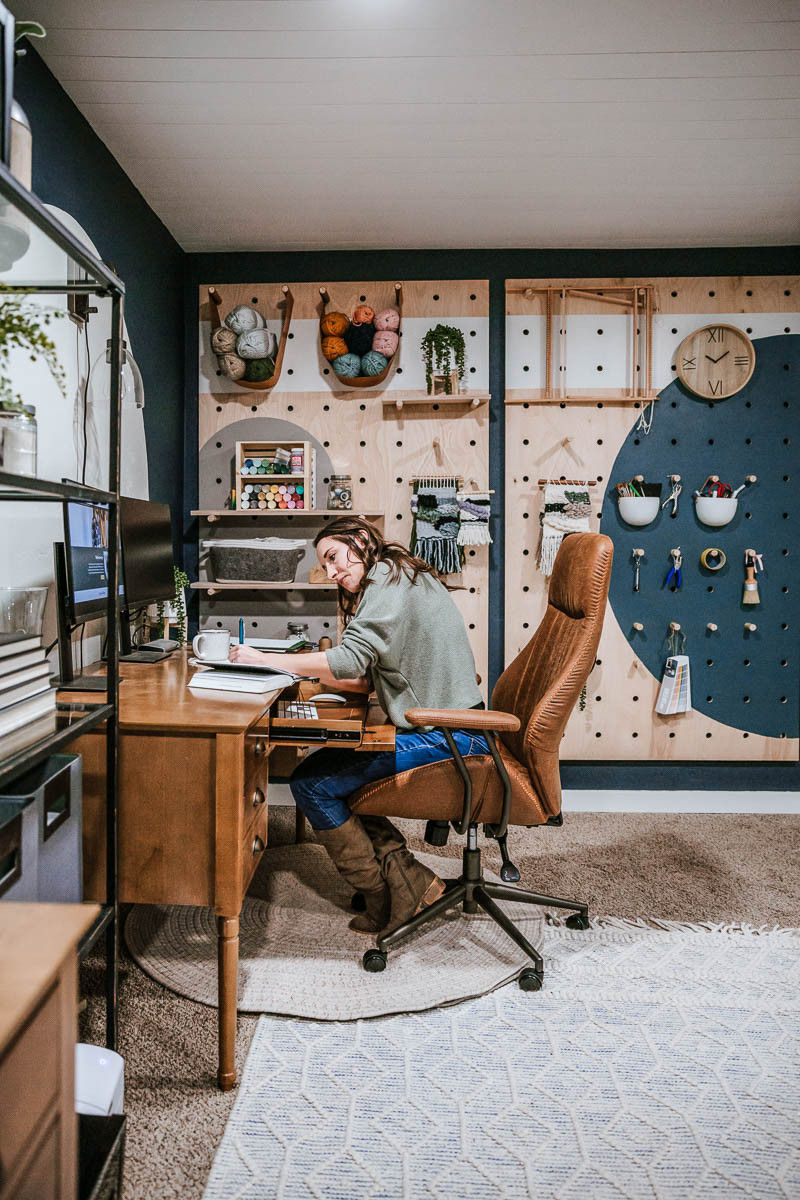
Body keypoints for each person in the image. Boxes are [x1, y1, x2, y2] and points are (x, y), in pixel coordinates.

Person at [228, 516, 488, 938]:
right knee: (324, 772)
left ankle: (383, 893)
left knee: (312, 783)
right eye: (325, 565)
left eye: (333, 557)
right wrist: (308, 669)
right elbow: (364, 675)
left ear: (362, 540)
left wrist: (266, 659)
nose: (331, 572)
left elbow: (349, 661)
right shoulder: (399, 574)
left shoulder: (386, 577)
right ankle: (404, 880)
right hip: (453, 728)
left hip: (450, 738)